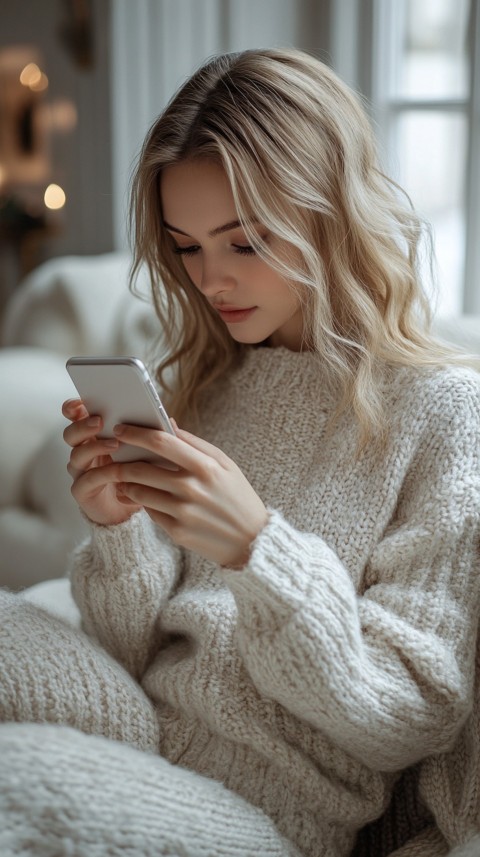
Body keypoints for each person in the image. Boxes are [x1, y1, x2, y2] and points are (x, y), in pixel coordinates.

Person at [0, 47, 479, 857]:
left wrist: (259, 547)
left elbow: (407, 713)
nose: (211, 280)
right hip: (141, 728)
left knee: (18, 776)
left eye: (245, 242)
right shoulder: (210, 381)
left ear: (329, 215)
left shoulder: (444, 416)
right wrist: (116, 531)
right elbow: (131, 649)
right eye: (187, 247)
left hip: (269, 812)